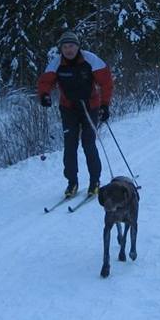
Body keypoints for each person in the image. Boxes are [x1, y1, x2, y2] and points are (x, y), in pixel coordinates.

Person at [38, 31, 113, 197]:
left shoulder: (90, 59)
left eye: (71, 46)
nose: (68, 50)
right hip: (68, 108)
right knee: (70, 146)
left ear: (78, 46)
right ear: (61, 49)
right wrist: (44, 95)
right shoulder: (56, 63)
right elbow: (45, 82)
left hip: (90, 107)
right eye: (65, 47)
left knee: (88, 143)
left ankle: (95, 181)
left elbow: (106, 82)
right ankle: (72, 182)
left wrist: (105, 105)